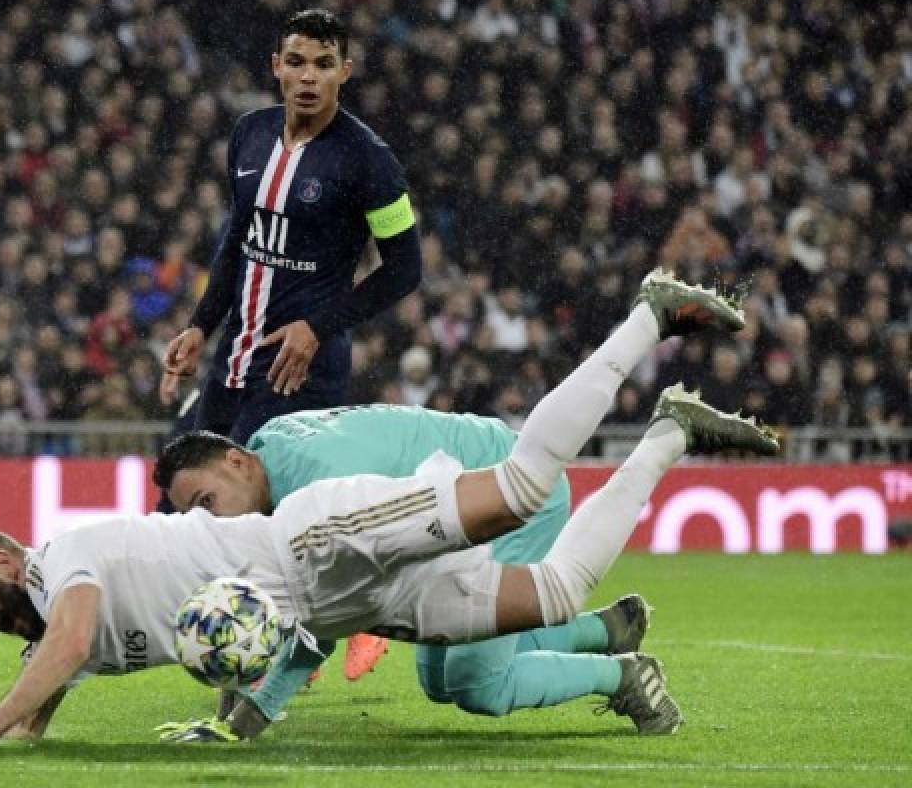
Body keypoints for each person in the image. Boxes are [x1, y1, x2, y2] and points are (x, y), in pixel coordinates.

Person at [0, 274, 779, 749]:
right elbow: (33, 704)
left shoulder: (65, 562)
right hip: (348, 604)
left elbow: (50, 659)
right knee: (563, 585)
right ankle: (668, 434)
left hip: (321, 541)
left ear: (6, 561)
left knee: (529, 489)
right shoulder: (56, 634)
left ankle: (649, 319)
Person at [151, 270, 746, 739]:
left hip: (499, 498)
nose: (211, 520)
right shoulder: (269, 448)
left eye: (207, 501)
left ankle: (624, 676)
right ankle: (604, 630)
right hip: (459, 497)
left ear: (233, 463)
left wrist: (254, 708)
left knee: (478, 682)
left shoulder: (310, 489)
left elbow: (322, 622)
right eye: (195, 514)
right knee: (440, 676)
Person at [158, 7, 423, 678]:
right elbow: (235, 244)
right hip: (233, 358)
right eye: (297, 62)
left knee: (247, 519)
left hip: (299, 369)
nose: (308, 77)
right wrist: (198, 324)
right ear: (276, 66)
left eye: (323, 65)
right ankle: (355, 612)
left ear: (345, 72)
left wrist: (319, 325)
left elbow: (406, 269)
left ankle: (335, 628)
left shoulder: (369, 162)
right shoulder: (247, 136)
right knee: (174, 491)